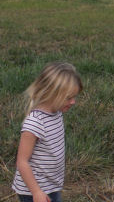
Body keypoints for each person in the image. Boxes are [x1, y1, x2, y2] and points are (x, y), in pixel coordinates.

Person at [12, 62, 83, 202]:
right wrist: (36, 192)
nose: (73, 102)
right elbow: (22, 162)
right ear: (51, 93)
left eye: (74, 97)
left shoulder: (56, 113)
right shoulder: (35, 123)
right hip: (32, 190)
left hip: (51, 185)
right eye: (69, 97)